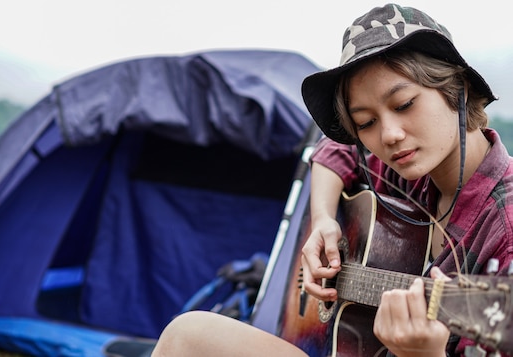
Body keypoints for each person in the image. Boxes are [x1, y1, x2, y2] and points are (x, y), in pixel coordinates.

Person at [151, 3, 513, 357]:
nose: (388, 135)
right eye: (365, 123)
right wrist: (323, 220)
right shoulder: (409, 170)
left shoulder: (505, 228)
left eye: (403, 104)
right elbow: (333, 151)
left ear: (457, 89)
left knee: (189, 337)